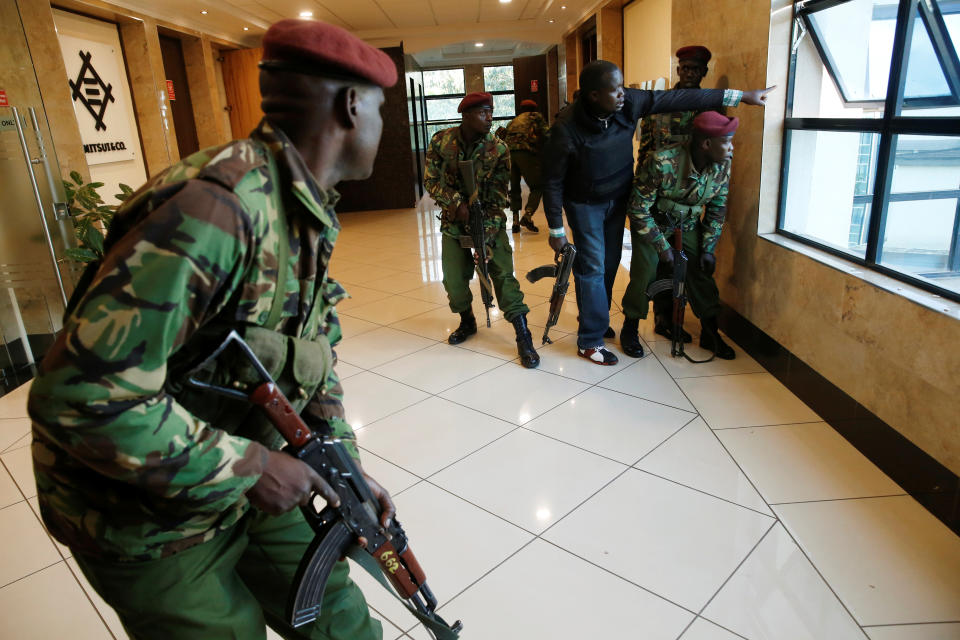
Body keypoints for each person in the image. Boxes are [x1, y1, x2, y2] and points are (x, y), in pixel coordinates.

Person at [28, 19, 397, 640]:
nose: (383, 127)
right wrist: (251, 469)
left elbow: (311, 354)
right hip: (147, 516)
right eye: (382, 109)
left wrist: (341, 464)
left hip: (241, 467)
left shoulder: (302, 204)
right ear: (352, 105)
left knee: (345, 627)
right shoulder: (217, 210)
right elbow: (81, 398)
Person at [541, 59, 771, 365]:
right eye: (614, 90)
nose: (623, 94)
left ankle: (595, 317)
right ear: (593, 96)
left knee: (608, 264)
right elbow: (552, 181)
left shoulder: (628, 103)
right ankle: (590, 339)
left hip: (618, 195)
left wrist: (740, 96)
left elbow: (678, 98)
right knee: (593, 265)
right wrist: (556, 229)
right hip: (585, 203)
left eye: (623, 86)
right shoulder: (566, 128)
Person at [423, 91, 540, 369]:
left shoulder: (498, 149)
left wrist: (484, 236)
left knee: (501, 275)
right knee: (453, 279)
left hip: (489, 221)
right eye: (483, 112)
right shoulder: (441, 142)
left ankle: (523, 334)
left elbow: (500, 196)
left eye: (491, 111)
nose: (490, 117)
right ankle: (467, 321)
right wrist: (455, 205)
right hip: (454, 223)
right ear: (465, 115)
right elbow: (431, 180)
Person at [620, 111, 739, 360]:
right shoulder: (662, 161)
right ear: (707, 144)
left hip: (688, 225)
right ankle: (630, 327)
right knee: (646, 272)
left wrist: (708, 248)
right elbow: (638, 208)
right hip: (653, 224)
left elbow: (717, 208)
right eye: (727, 142)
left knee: (700, 270)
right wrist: (662, 248)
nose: (731, 148)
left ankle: (709, 331)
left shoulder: (722, 165)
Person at [637, 45, 716, 343]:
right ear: (678, 69)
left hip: (692, 200)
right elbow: (646, 149)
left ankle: (707, 325)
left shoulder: (711, 108)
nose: (690, 73)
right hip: (659, 196)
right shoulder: (662, 103)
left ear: (704, 72)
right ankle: (663, 317)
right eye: (685, 67)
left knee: (693, 264)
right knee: (662, 262)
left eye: (696, 68)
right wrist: (642, 189)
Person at [504, 99, 549, 233]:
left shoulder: (513, 121)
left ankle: (516, 221)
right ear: (534, 108)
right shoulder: (535, 117)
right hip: (526, 153)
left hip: (509, 155)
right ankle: (528, 215)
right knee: (538, 186)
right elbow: (547, 134)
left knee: (515, 188)